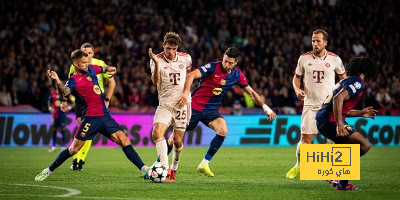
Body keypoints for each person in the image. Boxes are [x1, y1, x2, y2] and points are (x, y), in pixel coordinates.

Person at [35, 49, 149, 181]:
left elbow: (103, 69)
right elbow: (64, 92)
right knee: (74, 149)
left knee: (124, 140)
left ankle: (144, 169)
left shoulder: (91, 69)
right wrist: (57, 80)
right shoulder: (73, 80)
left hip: (105, 116)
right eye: (83, 62)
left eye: (88, 61)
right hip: (90, 119)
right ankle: (48, 170)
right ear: (75, 64)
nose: (87, 64)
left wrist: (109, 68)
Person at [177, 47, 277, 177]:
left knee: (223, 130)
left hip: (211, 111)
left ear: (236, 62)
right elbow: (191, 75)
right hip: (195, 107)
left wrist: (266, 108)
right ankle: (159, 163)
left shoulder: (237, 75)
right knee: (176, 138)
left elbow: (251, 93)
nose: (226, 64)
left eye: (230, 63)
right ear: (223, 57)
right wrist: (186, 92)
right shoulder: (213, 67)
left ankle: (204, 163)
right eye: (225, 61)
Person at [286, 29, 347, 179]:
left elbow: (344, 79)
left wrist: (342, 96)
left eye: (318, 41)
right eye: (313, 40)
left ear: (325, 42)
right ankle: (298, 166)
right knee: (306, 140)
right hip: (310, 106)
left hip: (329, 107)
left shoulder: (334, 59)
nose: (315, 43)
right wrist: (297, 89)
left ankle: (334, 172)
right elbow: (296, 78)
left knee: (333, 139)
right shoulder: (303, 59)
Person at [316, 57, 379, 190]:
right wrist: (339, 124)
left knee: (348, 149)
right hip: (330, 121)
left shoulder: (346, 80)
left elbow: (341, 108)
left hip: (324, 119)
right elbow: (338, 98)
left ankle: (343, 184)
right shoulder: (357, 82)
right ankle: (331, 170)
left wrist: (361, 113)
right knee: (364, 145)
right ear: (367, 70)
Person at [148, 32, 192, 182]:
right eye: (168, 48)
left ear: (177, 47)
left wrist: (186, 93)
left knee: (177, 141)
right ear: (163, 45)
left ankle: (174, 167)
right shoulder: (156, 59)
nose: (171, 52)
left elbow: (189, 77)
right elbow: (155, 81)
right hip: (165, 103)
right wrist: (155, 63)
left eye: (173, 48)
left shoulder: (186, 58)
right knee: (156, 133)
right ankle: (165, 168)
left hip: (182, 104)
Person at [69, 43, 116, 171]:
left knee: (88, 130)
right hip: (81, 102)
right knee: (82, 129)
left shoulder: (98, 64)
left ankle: (78, 160)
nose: (87, 56)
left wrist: (107, 99)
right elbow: (71, 85)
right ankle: (76, 158)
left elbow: (111, 82)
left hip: (96, 102)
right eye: (85, 53)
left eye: (89, 53)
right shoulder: (75, 66)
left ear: (93, 53)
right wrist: (65, 101)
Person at [47, 85, 74, 152]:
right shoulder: (52, 93)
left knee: (63, 129)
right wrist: (50, 108)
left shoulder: (65, 93)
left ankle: (63, 146)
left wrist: (69, 107)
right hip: (55, 115)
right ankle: (53, 146)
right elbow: (49, 101)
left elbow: (74, 100)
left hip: (62, 115)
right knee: (54, 129)